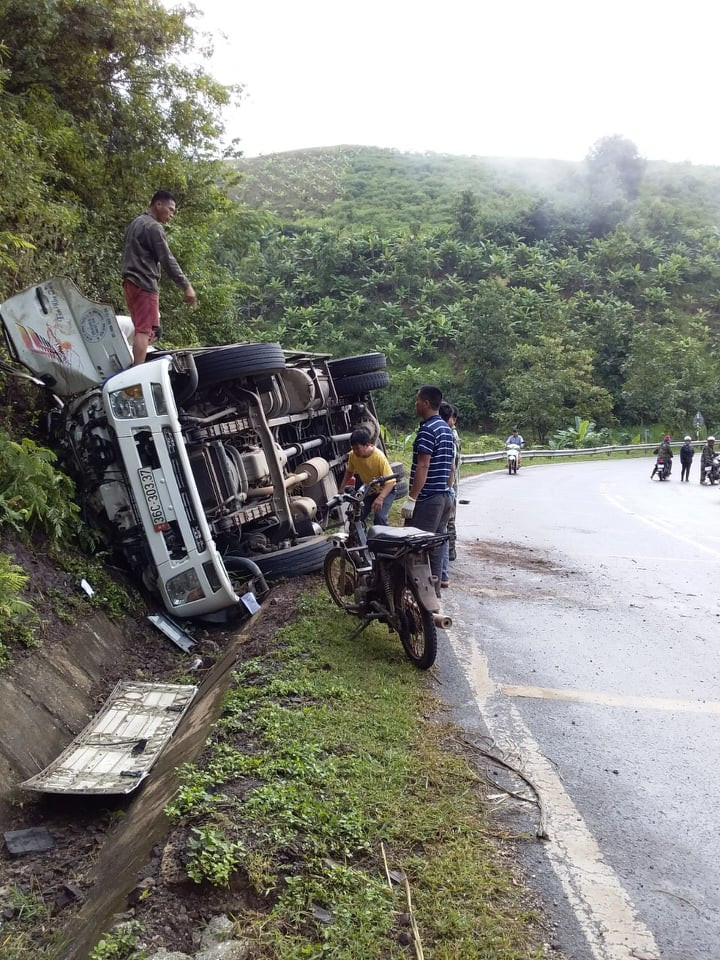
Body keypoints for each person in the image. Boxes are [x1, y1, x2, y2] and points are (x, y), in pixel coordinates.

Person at [121, 189, 197, 365]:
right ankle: (137, 373)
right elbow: (167, 259)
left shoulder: (136, 223)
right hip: (144, 283)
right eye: (170, 210)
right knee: (144, 331)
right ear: (158, 204)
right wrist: (186, 286)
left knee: (142, 328)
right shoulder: (153, 227)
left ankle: (134, 366)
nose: (171, 215)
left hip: (129, 282)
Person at [401, 386, 455, 596]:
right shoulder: (445, 429)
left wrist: (412, 498)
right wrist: (447, 489)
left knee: (417, 546)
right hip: (444, 497)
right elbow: (451, 466)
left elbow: (423, 466)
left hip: (428, 500)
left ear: (425, 403)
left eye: (417, 400)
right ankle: (433, 593)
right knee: (436, 545)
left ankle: (420, 596)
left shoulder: (427, 430)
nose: (416, 404)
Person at [338, 428, 397, 525]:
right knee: (357, 516)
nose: (355, 451)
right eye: (353, 448)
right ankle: (359, 539)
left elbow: (390, 481)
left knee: (380, 517)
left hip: (386, 490)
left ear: (367, 445)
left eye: (358, 448)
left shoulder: (379, 457)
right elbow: (349, 472)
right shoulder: (353, 455)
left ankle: (384, 538)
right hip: (370, 490)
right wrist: (341, 488)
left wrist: (380, 498)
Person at [439, 402, 460, 588]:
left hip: (447, 489)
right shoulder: (450, 435)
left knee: (445, 528)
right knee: (447, 526)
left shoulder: (448, 436)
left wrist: (447, 487)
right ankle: (448, 560)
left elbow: (451, 467)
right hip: (450, 488)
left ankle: (445, 569)